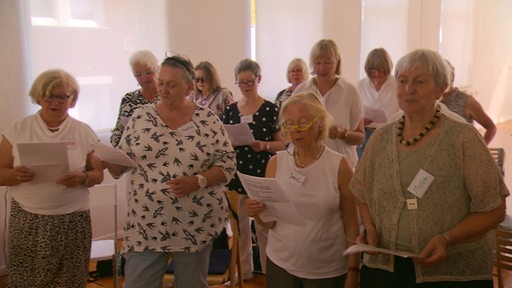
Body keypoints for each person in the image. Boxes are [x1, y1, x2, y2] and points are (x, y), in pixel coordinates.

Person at [350, 49, 509, 288]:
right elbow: (362, 193)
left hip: (449, 275)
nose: (408, 89)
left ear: (440, 88)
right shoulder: (382, 137)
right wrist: (370, 226)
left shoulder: (463, 138)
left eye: (419, 81)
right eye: (402, 81)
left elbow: (494, 210)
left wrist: (447, 238)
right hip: (387, 268)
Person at [104, 55, 237, 288]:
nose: (163, 90)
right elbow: (122, 162)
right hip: (147, 224)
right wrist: (105, 161)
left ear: (188, 87)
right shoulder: (141, 117)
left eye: (171, 85)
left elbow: (227, 163)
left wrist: (199, 181)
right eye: (161, 82)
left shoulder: (207, 120)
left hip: (194, 222)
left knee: (191, 284)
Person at [0, 69, 104, 287]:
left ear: (72, 99)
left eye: (62, 97)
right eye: (49, 96)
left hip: (73, 221)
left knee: (70, 280)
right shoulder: (18, 128)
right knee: (27, 280)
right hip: (29, 219)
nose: (54, 102)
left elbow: (97, 175)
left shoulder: (83, 131)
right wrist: (15, 175)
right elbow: (1, 173)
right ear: (38, 96)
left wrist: (83, 177)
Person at [246, 92, 360, 288]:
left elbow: (352, 223)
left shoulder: (339, 166)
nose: (296, 130)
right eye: (289, 124)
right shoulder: (276, 163)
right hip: (281, 262)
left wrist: (353, 272)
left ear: (321, 123)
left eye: (303, 122)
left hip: (326, 269)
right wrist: (256, 213)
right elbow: (269, 223)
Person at [222, 58, 286, 279]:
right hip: (236, 175)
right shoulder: (230, 110)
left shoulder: (270, 109)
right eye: (241, 82)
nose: (246, 86)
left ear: (258, 79)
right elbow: (223, 142)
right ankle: (244, 272)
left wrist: (264, 145)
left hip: (262, 174)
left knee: (264, 228)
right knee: (239, 228)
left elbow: (282, 144)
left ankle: (271, 273)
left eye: (250, 81)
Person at [293, 39, 364, 167]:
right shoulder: (302, 90)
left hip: (341, 165)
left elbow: (360, 136)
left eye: (328, 62)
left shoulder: (349, 91)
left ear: (337, 62)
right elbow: (290, 127)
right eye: (317, 63)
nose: (322, 68)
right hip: (307, 163)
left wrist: (342, 133)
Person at [110, 50, 160, 147]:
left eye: (148, 73)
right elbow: (117, 134)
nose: (144, 79)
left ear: (157, 70)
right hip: (131, 154)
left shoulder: (167, 97)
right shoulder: (129, 99)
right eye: (138, 75)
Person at [356, 48, 399, 158]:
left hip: (389, 133)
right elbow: (354, 110)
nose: (376, 74)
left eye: (380, 70)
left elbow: (403, 111)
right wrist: (361, 120)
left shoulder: (397, 84)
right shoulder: (361, 85)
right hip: (366, 133)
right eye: (372, 71)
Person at [440, 60, 496, 144]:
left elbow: (491, 127)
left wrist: (481, 150)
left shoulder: (466, 101)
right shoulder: (429, 100)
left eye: (445, 76)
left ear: (453, 77)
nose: (441, 80)